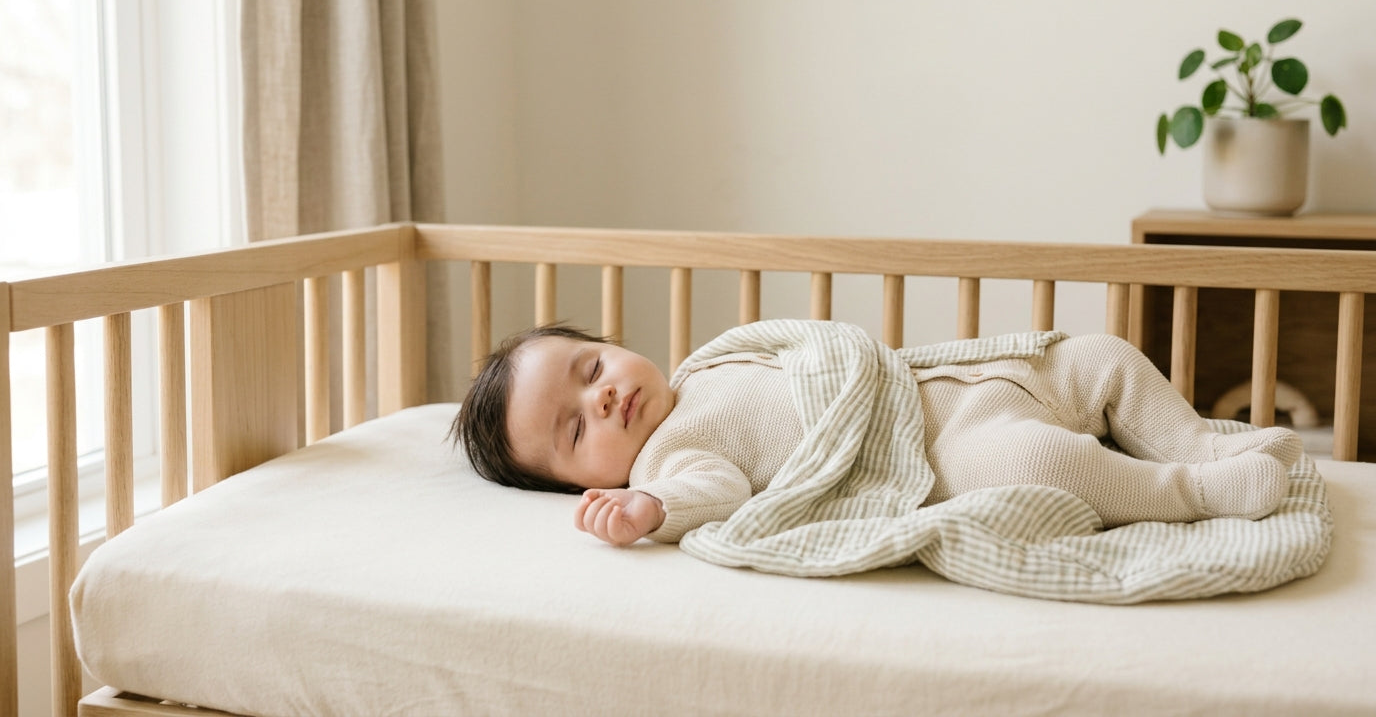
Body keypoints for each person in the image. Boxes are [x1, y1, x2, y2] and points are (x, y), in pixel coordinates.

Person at [451, 323, 1300, 548]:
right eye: (573, 428)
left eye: (592, 369)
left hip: (941, 384)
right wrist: (647, 511)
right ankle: (1194, 493)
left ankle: (1198, 443)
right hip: (932, 454)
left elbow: (823, 346)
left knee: (1098, 355)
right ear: (577, 484)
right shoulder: (674, 458)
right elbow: (716, 497)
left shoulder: (711, 362)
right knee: (1040, 461)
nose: (602, 400)